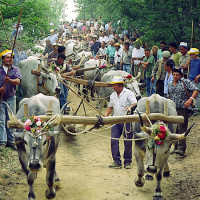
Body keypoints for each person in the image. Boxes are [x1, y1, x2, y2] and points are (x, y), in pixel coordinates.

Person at [105, 76, 137, 169]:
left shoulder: (128, 93)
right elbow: (110, 107)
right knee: (114, 140)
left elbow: (135, 103)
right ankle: (117, 161)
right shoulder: (113, 95)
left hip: (127, 120)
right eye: (113, 85)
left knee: (127, 141)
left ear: (120, 85)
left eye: (114, 85)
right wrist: (106, 114)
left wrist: (130, 108)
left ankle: (127, 161)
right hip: (115, 120)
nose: (113, 87)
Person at [168, 66, 199, 156]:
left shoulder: (186, 82)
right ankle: (175, 146)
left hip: (183, 108)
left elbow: (196, 90)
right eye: (174, 74)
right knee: (174, 127)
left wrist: (190, 99)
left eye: (177, 75)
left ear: (181, 75)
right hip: (173, 108)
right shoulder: (170, 83)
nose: (175, 76)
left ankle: (182, 148)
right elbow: (169, 95)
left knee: (182, 127)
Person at [0, 50, 22, 150]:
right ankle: (2, 141)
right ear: (3, 59)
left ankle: (11, 141)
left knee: (11, 119)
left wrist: (10, 81)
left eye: (11, 57)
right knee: (1, 120)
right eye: (8, 57)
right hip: (1, 98)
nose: (10, 59)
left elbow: (18, 81)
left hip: (11, 97)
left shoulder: (16, 69)